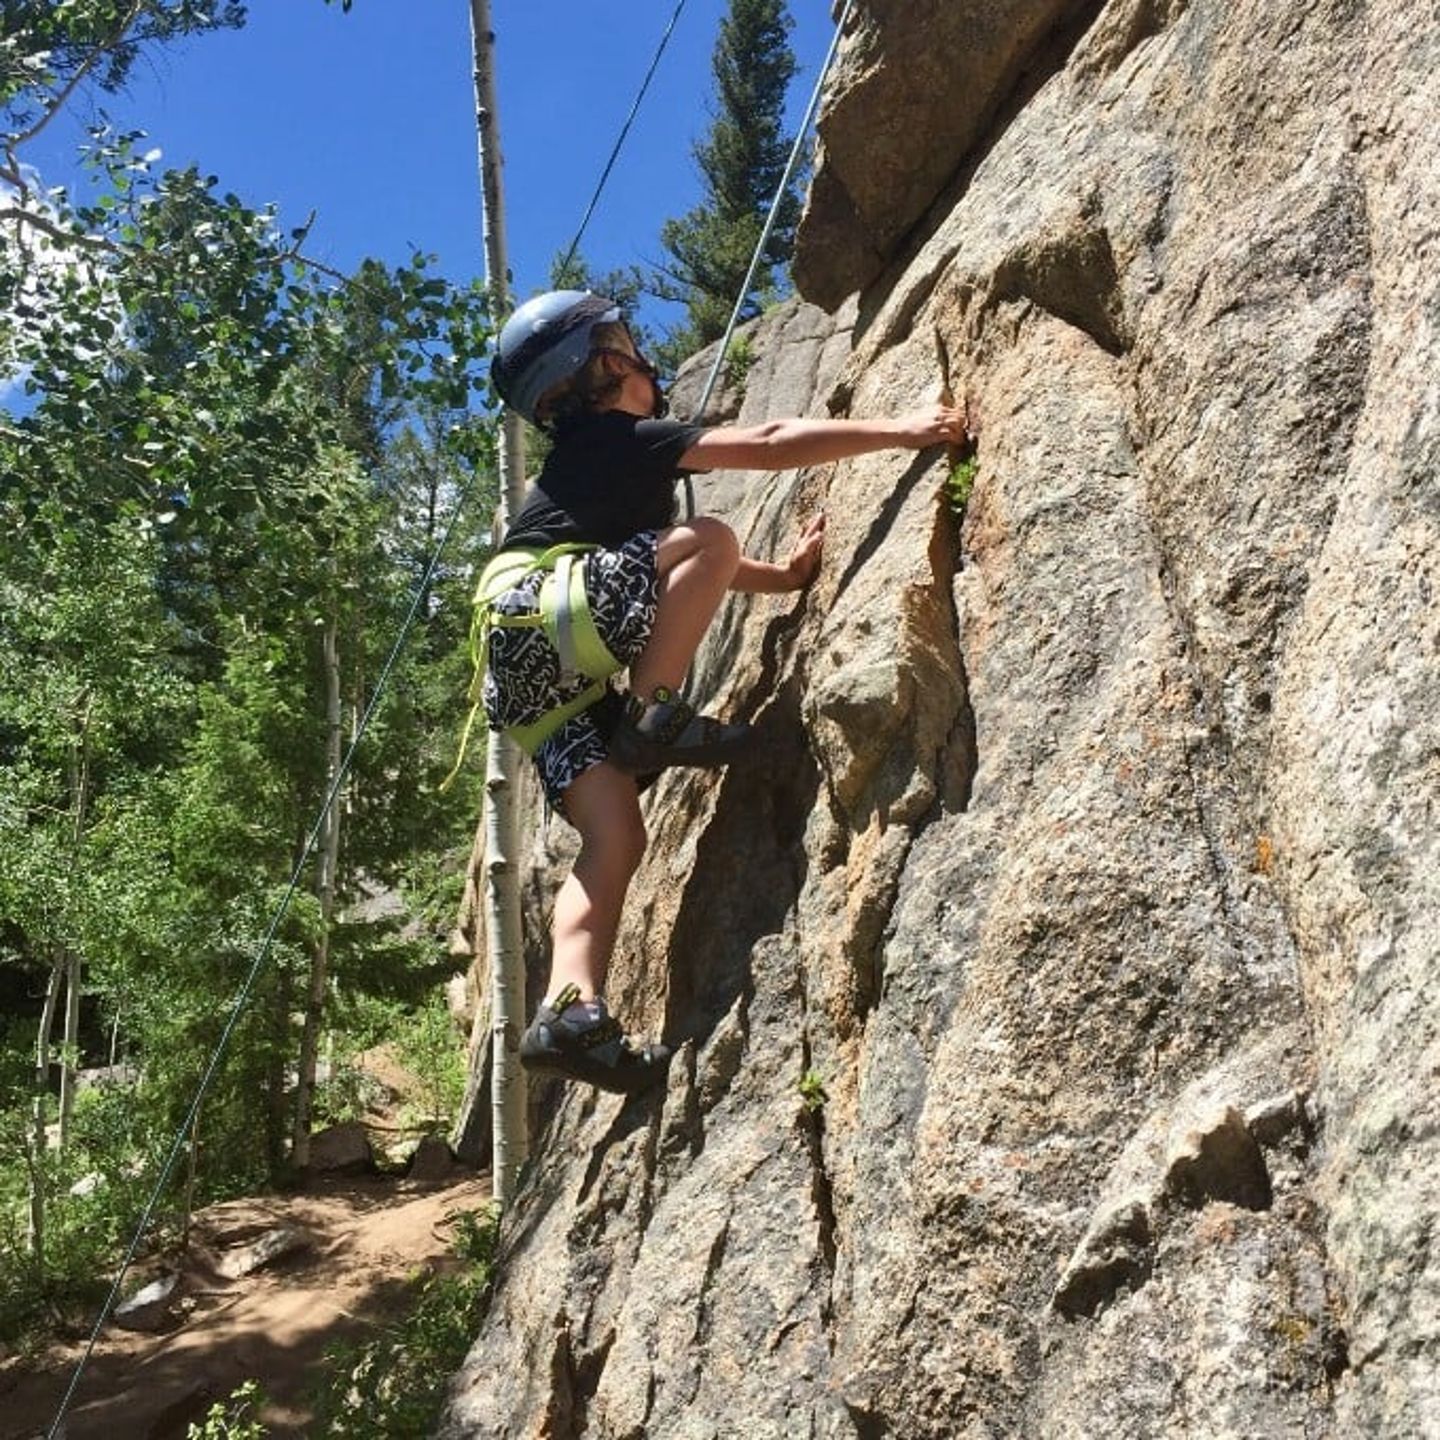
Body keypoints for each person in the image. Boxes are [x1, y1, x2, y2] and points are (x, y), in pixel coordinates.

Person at [483, 290, 968, 1094]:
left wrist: (779, 578)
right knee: (709, 533)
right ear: (603, 366)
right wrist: (903, 429)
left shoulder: (581, 474)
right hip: (549, 611)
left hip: (528, 661)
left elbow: (658, 559)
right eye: (628, 346)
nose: (645, 360)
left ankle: (568, 1012)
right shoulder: (623, 439)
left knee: (616, 838)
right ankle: (655, 714)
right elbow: (769, 444)